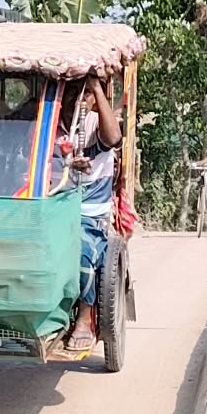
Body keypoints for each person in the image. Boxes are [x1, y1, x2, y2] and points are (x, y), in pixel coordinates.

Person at [66, 77, 122, 351]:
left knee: (82, 249)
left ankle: (84, 317)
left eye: (85, 93)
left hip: (88, 211)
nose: (78, 99)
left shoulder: (94, 123)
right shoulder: (49, 123)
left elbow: (113, 139)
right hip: (52, 205)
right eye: (72, 91)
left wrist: (97, 89)